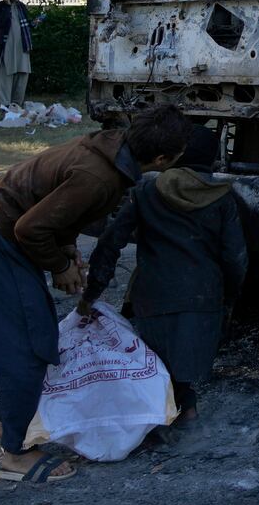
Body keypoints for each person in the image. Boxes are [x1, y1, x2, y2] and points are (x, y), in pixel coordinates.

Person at [0, 104, 194, 484]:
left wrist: (67, 251)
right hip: (0, 242)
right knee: (30, 345)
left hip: (5, 235)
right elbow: (29, 229)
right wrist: (60, 267)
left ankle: (10, 426)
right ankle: (15, 456)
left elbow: (56, 208)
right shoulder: (99, 177)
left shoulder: (111, 150)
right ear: (163, 158)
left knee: (35, 336)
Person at [79, 125, 246, 436]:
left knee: (156, 363)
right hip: (203, 298)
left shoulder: (146, 193)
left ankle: (158, 417)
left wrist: (92, 292)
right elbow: (235, 257)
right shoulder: (223, 199)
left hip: (152, 295)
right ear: (212, 159)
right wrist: (230, 296)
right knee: (185, 367)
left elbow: (110, 242)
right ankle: (187, 414)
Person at [0, 0, 45, 110]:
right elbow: (0, 23)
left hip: (22, 45)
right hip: (7, 45)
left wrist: (37, 21)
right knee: (6, 75)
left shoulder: (21, 6)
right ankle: (5, 105)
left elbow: (28, 24)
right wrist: (7, 5)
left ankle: (16, 104)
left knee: (23, 74)